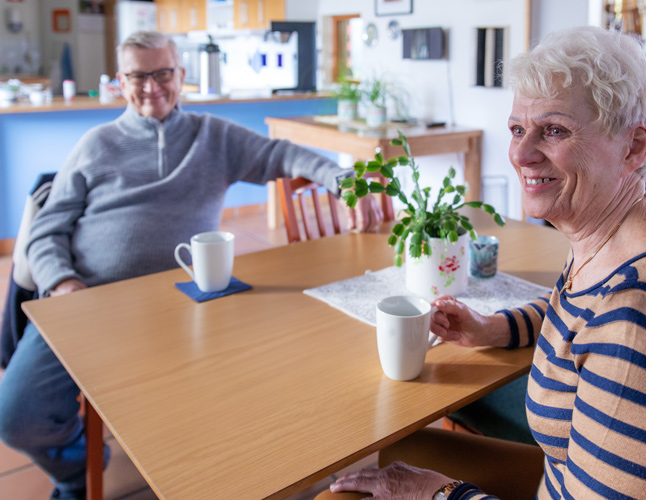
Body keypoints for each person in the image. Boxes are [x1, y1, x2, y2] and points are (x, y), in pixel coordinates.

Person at [319, 26, 646, 500]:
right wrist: (494, 329)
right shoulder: (633, 228)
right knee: (396, 452)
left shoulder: (644, 320)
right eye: (518, 129)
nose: (521, 154)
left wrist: (442, 494)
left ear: (635, 147)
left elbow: (616, 329)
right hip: (564, 477)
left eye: (554, 130)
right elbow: (580, 308)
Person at [0, 30, 382, 500]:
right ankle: (81, 471)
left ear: (181, 75)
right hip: (85, 301)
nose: (152, 86)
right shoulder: (95, 143)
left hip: (184, 301)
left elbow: (281, 153)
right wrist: (62, 284)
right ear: (121, 81)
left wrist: (342, 178)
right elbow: (46, 230)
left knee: (255, 392)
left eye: (163, 73)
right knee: (18, 417)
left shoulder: (213, 135)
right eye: (139, 75)